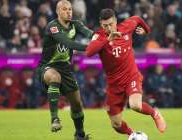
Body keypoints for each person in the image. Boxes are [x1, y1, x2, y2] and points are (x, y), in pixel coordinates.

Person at [85, 8, 167, 137]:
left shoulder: (126, 27)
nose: (109, 28)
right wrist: (108, 39)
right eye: (105, 25)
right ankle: (132, 134)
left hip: (130, 76)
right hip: (114, 85)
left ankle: (154, 113)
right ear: (101, 23)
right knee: (116, 124)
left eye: (111, 24)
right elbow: (89, 52)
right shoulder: (99, 36)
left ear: (116, 21)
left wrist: (146, 30)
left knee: (134, 105)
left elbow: (137, 19)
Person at [35, 0, 93, 140]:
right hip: (47, 67)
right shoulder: (52, 26)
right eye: (65, 9)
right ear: (58, 11)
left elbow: (90, 33)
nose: (68, 12)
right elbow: (68, 42)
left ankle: (79, 135)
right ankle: (55, 119)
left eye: (70, 9)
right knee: (55, 78)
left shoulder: (76, 24)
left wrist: (103, 38)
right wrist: (91, 48)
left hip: (65, 69)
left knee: (77, 104)